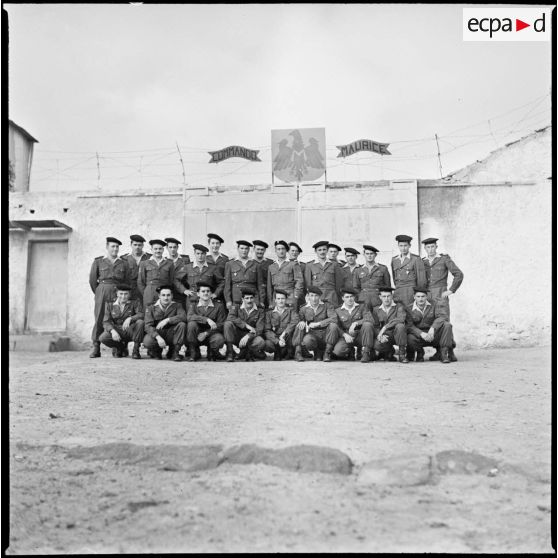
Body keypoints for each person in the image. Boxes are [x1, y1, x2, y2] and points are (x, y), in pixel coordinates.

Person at [88, 236, 130, 358]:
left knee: (119, 318)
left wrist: (123, 295)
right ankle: (96, 347)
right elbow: (92, 281)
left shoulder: (123, 263)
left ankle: (118, 346)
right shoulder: (98, 261)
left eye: (117, 247)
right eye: (113, 246)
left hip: (118, 292)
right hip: (103, 291)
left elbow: (127, 282)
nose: (115, 249)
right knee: (100, 318)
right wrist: (99, 293)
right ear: (107, 247)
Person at [406, 286, 456, 364]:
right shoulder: (409, 308)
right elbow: (409, 326)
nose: (421, 299)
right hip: (420, 337)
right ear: (414, 297)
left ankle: (444, 354)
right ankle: (420, 352)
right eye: (418, 296)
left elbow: (443, 316)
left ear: (426, 297)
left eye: (423, 296)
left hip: (433, 335)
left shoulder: (434, 304)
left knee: (447, 325)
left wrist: (433, 328)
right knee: (409, 338)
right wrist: (421, 333)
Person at [98, 284, 144, 359]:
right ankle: (120, 347)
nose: (123, 296)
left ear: (129, 294)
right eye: (121, 294)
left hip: (131, 330)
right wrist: (112, 331)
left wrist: (131, 318)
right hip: (117, 330)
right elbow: (106, 321)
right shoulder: (110, 304)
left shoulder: (134, 302)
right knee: (103, 338)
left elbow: (141, 314)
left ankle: (136, 350)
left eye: (126, 294)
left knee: (140, 323)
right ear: (117, 293)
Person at [293, 286, 338, 362]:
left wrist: (318, 324)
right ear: (308, 296)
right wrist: (302, 321)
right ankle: (300, 352)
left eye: (316, 296)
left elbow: (334, 318)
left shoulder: (327, 305)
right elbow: (299, 320)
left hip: (326, 334)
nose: (314, 299)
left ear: (320, 296)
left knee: (333, 325)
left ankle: (327, 353)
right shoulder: (303, 308)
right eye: (312, 296)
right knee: (300, 327)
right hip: (313, 335)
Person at [330, 287, 375, 363]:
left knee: (367, 324)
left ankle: (366, 353)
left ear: (354, 297)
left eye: (351, 296)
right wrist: (344, 335)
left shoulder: (362, 306)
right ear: (343, 298)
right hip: (347, 336)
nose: (349, 299)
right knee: (338, 351)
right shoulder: (338, 310)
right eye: (347, 297)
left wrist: (356, 323)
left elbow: (370, 319)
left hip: (360, 336)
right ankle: (350, 351)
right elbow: (337, 326)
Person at [142, 285, 187, 361]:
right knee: (147, 341)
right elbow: (148, 326)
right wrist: (158, 337)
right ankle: (156, 351)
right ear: (159, 296)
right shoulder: (151, 307)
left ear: (172, 296)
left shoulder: (177, 305)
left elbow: (183, 317)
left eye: (168, 295)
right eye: (163, 295)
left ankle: (175, 352)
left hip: (171, 334)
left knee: (182, 325)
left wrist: (168, 320)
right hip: (157, 333)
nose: (166, 298)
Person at [185, 281, 227, 362]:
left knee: (219, 339)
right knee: (191, 324)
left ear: (211, 293)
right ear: (198, 294)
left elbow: (221, 324)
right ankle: (194, 352)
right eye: (203, 291)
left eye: (208, 291)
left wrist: (206, 333)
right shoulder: (193, 305)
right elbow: (189, 317)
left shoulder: (219, 306)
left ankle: (212, 352)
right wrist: (207, 320)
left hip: (211, 334)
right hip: (196, 335)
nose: (206, 293)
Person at [223, 288, 266, 362]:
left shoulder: (260, 310)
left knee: (260, 342)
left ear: (254, 298)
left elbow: (259, 329)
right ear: (242, 299)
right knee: (227, 324)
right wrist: (246, 325)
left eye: (251, 298)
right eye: (247, 298)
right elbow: (230, 317)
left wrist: (248, 336)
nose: (249, 300)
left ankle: (244, 352)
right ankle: (230, 353)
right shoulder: (236, 305)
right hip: (236, 335)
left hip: (250, 337)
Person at [371, 285, 409, 363]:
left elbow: (401, 319)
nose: (386, 299)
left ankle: (402, 355)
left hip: (398, 334)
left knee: (400, 326)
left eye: (388, 296)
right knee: (376, 345)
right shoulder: (376, 309)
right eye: (384, 296)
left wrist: (385, 327)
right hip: (385, 336)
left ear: (392, 296)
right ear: (380, 297)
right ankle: (389, 352)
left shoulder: (399, 307)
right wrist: (380, 336)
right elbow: (376, 326)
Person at [224, 240, 265, 308]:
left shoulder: (256, 264)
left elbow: (260, 284)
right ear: (238, 249)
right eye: (242, 248)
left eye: (246, 248)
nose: (244, 251)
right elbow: (227, 284)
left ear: (249, 250)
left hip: (252, 298)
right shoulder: (230, 264)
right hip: (237, 298)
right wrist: (228, 300)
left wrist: (261, 301)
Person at [137, 239, 176, 309]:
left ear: (163, 250)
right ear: (151, 249)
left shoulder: (169, 263)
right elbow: (140, 281)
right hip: (149, 292)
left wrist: (166, 292)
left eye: (160, 249)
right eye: (155, 249)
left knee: (163, 311)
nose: (158, 251)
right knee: (149, 312)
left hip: (164, 293)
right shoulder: (144, 263)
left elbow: (171, 280)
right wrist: (146, 293)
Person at [304, 240, 344, 307]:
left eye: (324, 249)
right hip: (316, 296)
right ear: (315, 252)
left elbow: (339, 283)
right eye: (319, 250)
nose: (322, 252)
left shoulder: (334, 265)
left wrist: (336, 294)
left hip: (331, 295)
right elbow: (308, 284)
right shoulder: (310, 265)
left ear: (327, 251)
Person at [267, 240, 304, 311]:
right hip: (276, 297)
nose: (281, 251)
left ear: (286, 250)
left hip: (290, 296)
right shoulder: (271, 267)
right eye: (278, 249)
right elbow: (269, 287)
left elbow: (299, 281)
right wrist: (270, 301)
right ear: (275, 251)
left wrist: (295, 297)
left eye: (283, 249)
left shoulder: (293, 264)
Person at [391, 234, 427, 307]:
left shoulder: (415, 259)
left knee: (410, 314)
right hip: (398, 292)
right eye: (401, 246)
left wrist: (417, 294)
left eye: (405, 245)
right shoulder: (394, 260)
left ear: (409, 246)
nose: (403, 248)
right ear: (398, 246)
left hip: (410, 292)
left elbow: (421, 280)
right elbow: (395, 278)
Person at [263, 289, 299, 360]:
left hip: (287, 338)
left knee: (293, 337)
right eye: (278, 299)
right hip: (275, 339)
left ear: (286, 300)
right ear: (275, 300)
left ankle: (289, 351)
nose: (280, 301)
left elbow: (295, 321)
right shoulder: (269, 313)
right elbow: (267, 330)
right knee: (267, 344)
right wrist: (277, 341)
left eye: (283, 298)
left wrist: (284, 334)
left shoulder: (291, 311)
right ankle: (280, 351)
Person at [357, 245, 392, 310]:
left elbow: (387, 287)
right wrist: (359, 299)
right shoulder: (358, 270)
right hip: (363, 300)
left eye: (371, 254)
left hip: (377, 299)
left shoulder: (383, 268)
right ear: (364, 255)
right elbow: (356, 287)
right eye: (367, 254)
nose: (369, 256)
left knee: (379, 318)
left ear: (375, 255)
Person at [120, 234, 151, 301]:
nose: (137, 247)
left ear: (143, 246)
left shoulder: (149, 258)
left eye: (139, 245)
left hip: (144, 292)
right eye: (135, 245)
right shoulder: (124, 258)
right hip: (129, 292)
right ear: (131, 245)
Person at [164, 237, 190, 307]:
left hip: (182, 292)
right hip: (168, 292)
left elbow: (189, 275)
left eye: (174, 247)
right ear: (167, 248)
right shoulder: (164, 261)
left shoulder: (185, 260)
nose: (172, 249)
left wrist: (184, 290)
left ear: (177, 248)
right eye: (170, 247)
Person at [252, 240, 273, 307]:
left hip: (267, 292)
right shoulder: (250, 262)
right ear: (253, 249)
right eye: (258, 249)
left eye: (262, 250)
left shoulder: (270, 262)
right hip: (254, 292)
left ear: (265, 251)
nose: (260, 251)